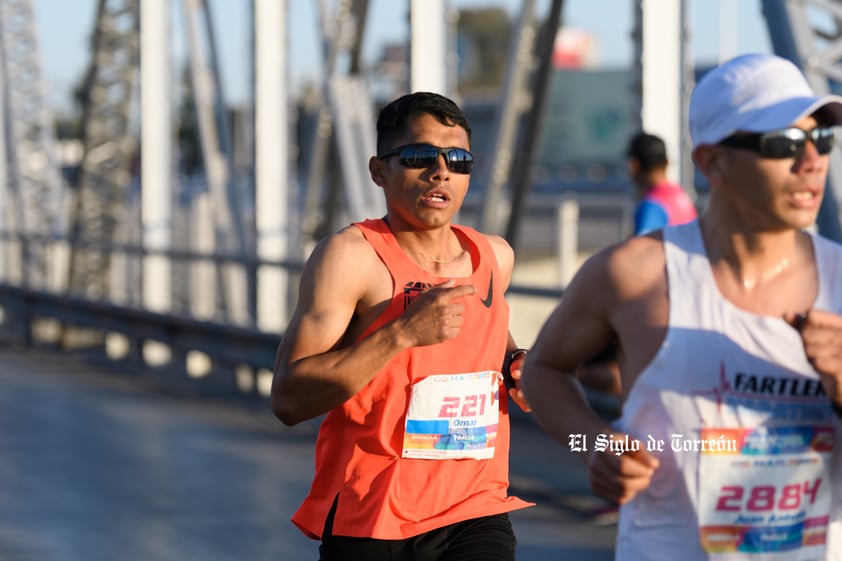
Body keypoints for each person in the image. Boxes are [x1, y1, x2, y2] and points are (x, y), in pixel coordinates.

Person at [521, 52, 842, 561]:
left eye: (822, 138)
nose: (812, 162)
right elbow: (540, 370)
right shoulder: (632, 274)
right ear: (712, 161)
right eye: (783, 143)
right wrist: (599, 447)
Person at [271, 91, 533, 561]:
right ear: (379, 171)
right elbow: (289, 398)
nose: (440, 172)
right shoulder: (352, 257)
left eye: (458, 159)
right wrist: (402, 334)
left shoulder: (495, 256)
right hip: (374, 515)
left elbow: (486, 336)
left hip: (474, 507)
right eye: (418, 157)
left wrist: (516, 363)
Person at [627, 131, 697, 236]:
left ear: (635, 166)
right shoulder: (681, 196)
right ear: (667, 162)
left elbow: (643, 251)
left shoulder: (651, 207)